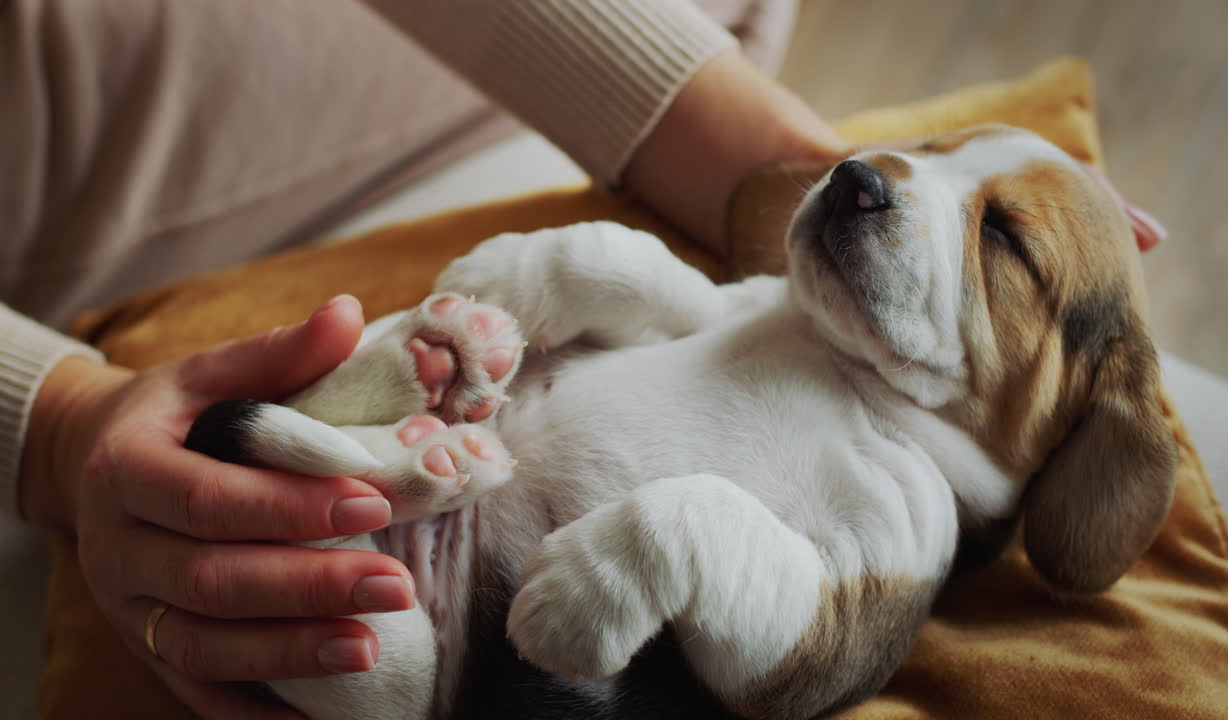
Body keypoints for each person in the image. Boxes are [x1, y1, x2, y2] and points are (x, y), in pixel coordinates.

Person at [0, 1, 1164, 718]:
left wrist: (680, 530)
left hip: (443, 641)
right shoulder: (787, 323)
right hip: (83, 180)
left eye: (999, 233)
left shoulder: (904, 514)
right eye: (921, 155)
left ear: (1079, 405)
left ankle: (346, 464)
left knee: (367, 640)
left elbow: (796, 655)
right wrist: (51, 422)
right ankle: (336, 449)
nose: (876, 176)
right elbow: (684, 310)